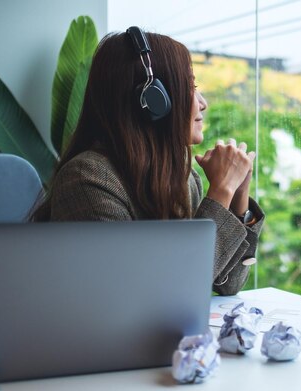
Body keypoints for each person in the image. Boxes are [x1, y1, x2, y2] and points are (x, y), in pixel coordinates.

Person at [30, 28, 263, 296]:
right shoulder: (87, 180)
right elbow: (158, 297)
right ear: (154, 100)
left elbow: (228, 284)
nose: (203, 103)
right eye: (190, 87)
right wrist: (221, 191)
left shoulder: (185, 178)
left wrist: (237, 195)